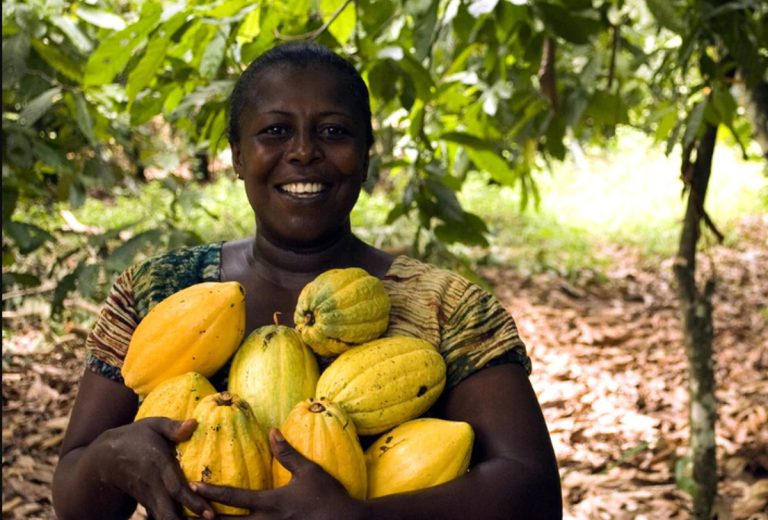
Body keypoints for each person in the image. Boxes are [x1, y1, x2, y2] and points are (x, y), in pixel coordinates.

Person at [52, 41, 562, 520]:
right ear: (236, 154)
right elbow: (74, 490)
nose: (303, 152)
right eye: (275, 131)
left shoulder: (447, 307)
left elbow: (533, 491)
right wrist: (108, 460)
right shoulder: (158, 289)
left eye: (334, 131)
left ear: (366, 154)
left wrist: (362, 517)